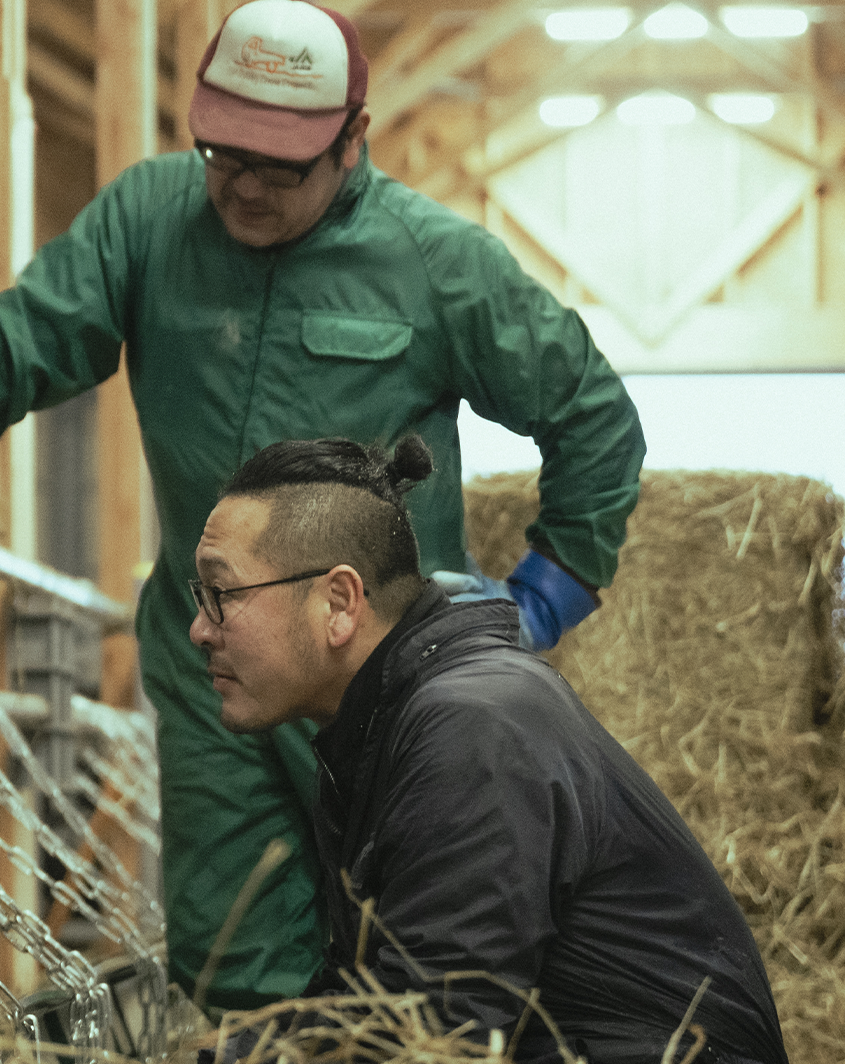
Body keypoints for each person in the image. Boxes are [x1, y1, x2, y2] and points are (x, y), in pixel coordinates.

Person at [0, 0, 646, 1010]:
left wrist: (537, 603)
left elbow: (592, 417)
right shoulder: (149, 221)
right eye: (224, 154)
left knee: (417, 974)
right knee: (234, 976)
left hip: (382, 691)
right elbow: (16, 345)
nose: (245, 187)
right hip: (214, 676)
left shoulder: (436, 265)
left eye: (280, 165)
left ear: (351, 141)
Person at [189, 434, 785, 1064]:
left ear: (339, 603)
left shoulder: (472, 725)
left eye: (221, 594)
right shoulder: (384, 722)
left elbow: (437, 1025)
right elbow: (371, 1000)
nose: (200, 629)